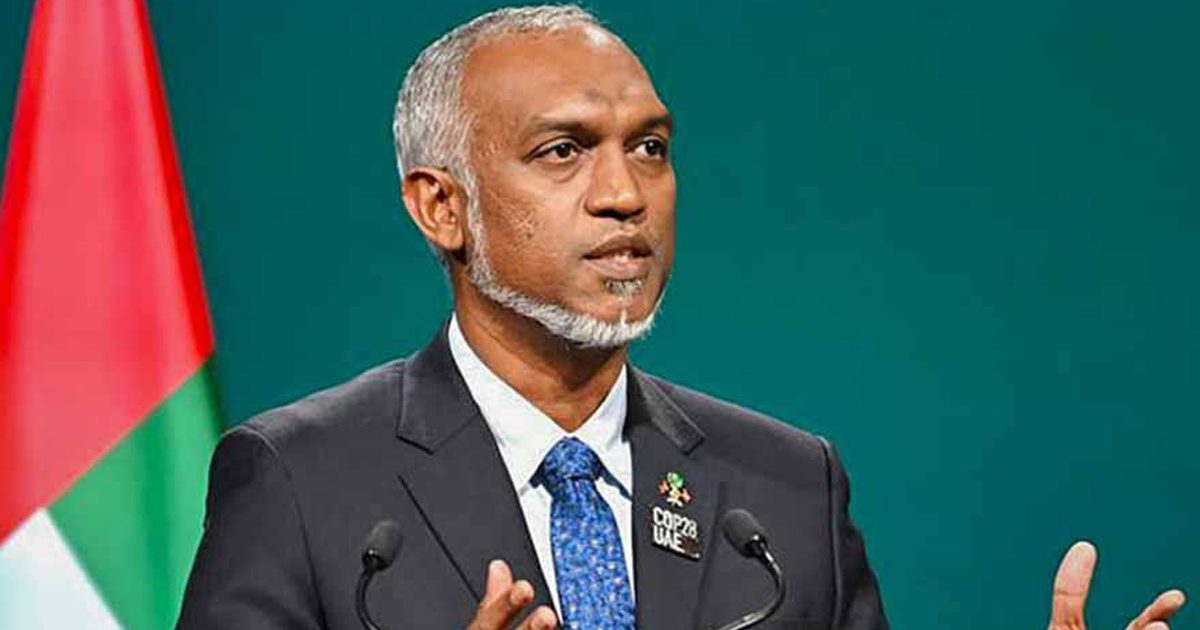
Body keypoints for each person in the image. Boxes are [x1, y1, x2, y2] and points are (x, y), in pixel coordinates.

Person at [177, 6, 1185, 630]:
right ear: (442, 207)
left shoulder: (788, 488)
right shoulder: (303, 483)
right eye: (564, 152)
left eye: (650, 149)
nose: (625, 195)